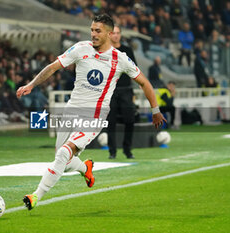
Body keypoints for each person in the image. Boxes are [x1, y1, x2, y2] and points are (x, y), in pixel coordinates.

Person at [16, 14, 166, 211]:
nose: (93, 34)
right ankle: (84, 167)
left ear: (110, 34)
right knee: (63, 160)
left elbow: (144, 82)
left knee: (63, 153)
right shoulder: (81, 48)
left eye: (98, 31)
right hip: (71, 111)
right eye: (92, 30)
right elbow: (53, 67)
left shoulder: (120, 59)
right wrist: (31, 84)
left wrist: (155, 110)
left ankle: (36, 196)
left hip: (94, 116)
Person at [107, 25, 137, 160]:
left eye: (118, 33)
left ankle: (127, 149)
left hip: (126, 90)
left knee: (130, 120)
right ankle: (112, 151)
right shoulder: (105, 51)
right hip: (110, 91)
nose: (116, 35)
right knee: (110, 122)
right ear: (109, 35)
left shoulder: (127, 51)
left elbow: (134, 70)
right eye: (113, 33)